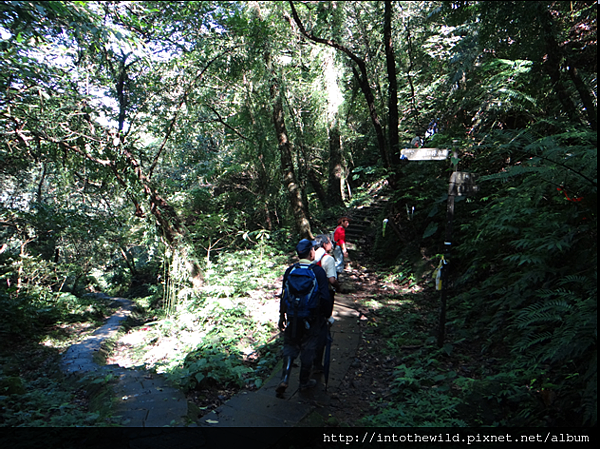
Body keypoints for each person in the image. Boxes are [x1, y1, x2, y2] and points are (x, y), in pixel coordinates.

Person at [276, 239, 332, 397]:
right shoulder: (317, 271)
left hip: (293, 317)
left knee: (290, 345)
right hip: (312, 318)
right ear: (311, 252)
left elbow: (284, 295)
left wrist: (282, 315)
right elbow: (325, 297)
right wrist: (326, 316)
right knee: (308, 348)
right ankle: (303, 382)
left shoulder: (290, 270)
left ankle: (285, 378)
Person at [312, 234, 339, 372]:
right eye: (329, 242)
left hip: (310, 298)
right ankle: (317, 364)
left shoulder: (311, 257)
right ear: (324, 245)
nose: (331, 243)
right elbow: (332, 280)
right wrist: (339, 286)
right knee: (322, 329)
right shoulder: (328, 259)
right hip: (324, 297)